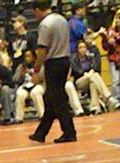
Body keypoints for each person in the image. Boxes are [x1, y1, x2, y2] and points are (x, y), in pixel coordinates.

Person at [28, 0, 77, 144]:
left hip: (53, 63)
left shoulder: (45, 24)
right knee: (51, 98)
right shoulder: (62, 19)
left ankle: (69, 131)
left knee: (58, 99)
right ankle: (41, 133)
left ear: (37, 10)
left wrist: (36, 71)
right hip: (65, 60)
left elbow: (42, 51)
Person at [71, 40, 112, 114]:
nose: (82, 49)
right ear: (77, 50)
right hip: (80, 81)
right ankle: (108, 97)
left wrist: (91, 72)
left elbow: (95, 66)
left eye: (84, 47)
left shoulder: (90, 58)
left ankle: (95, 108)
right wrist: (87, 73)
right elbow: (77, 71)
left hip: (90, 78)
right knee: (94, 76)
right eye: (80, 48)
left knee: (93, 82)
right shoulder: (73, 59)